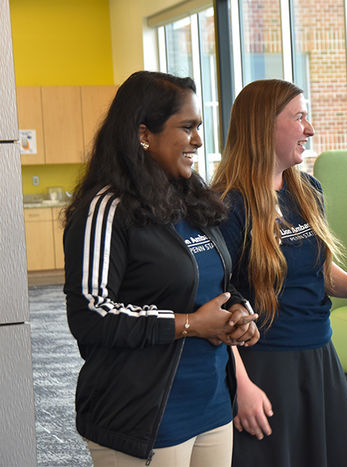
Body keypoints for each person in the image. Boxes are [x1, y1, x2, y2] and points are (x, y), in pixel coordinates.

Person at [63, 71, 260, 467]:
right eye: (186, 128)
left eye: (199, 128)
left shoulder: (191, 197)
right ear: (144, 134)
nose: (198, 141)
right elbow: (91, 313)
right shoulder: (106, 208)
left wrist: (237, 311)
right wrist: (189, 323)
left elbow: (215, 283)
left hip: (211, 405)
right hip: (143, 414)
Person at [211, 79, 347, 467]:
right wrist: (241, 384)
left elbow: (322, 269)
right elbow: (219, 300)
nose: (309, 129)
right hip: (264, 365)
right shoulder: (227, 205)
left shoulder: (307, 189)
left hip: (319, 358)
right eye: (299, 118)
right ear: (263, 127)